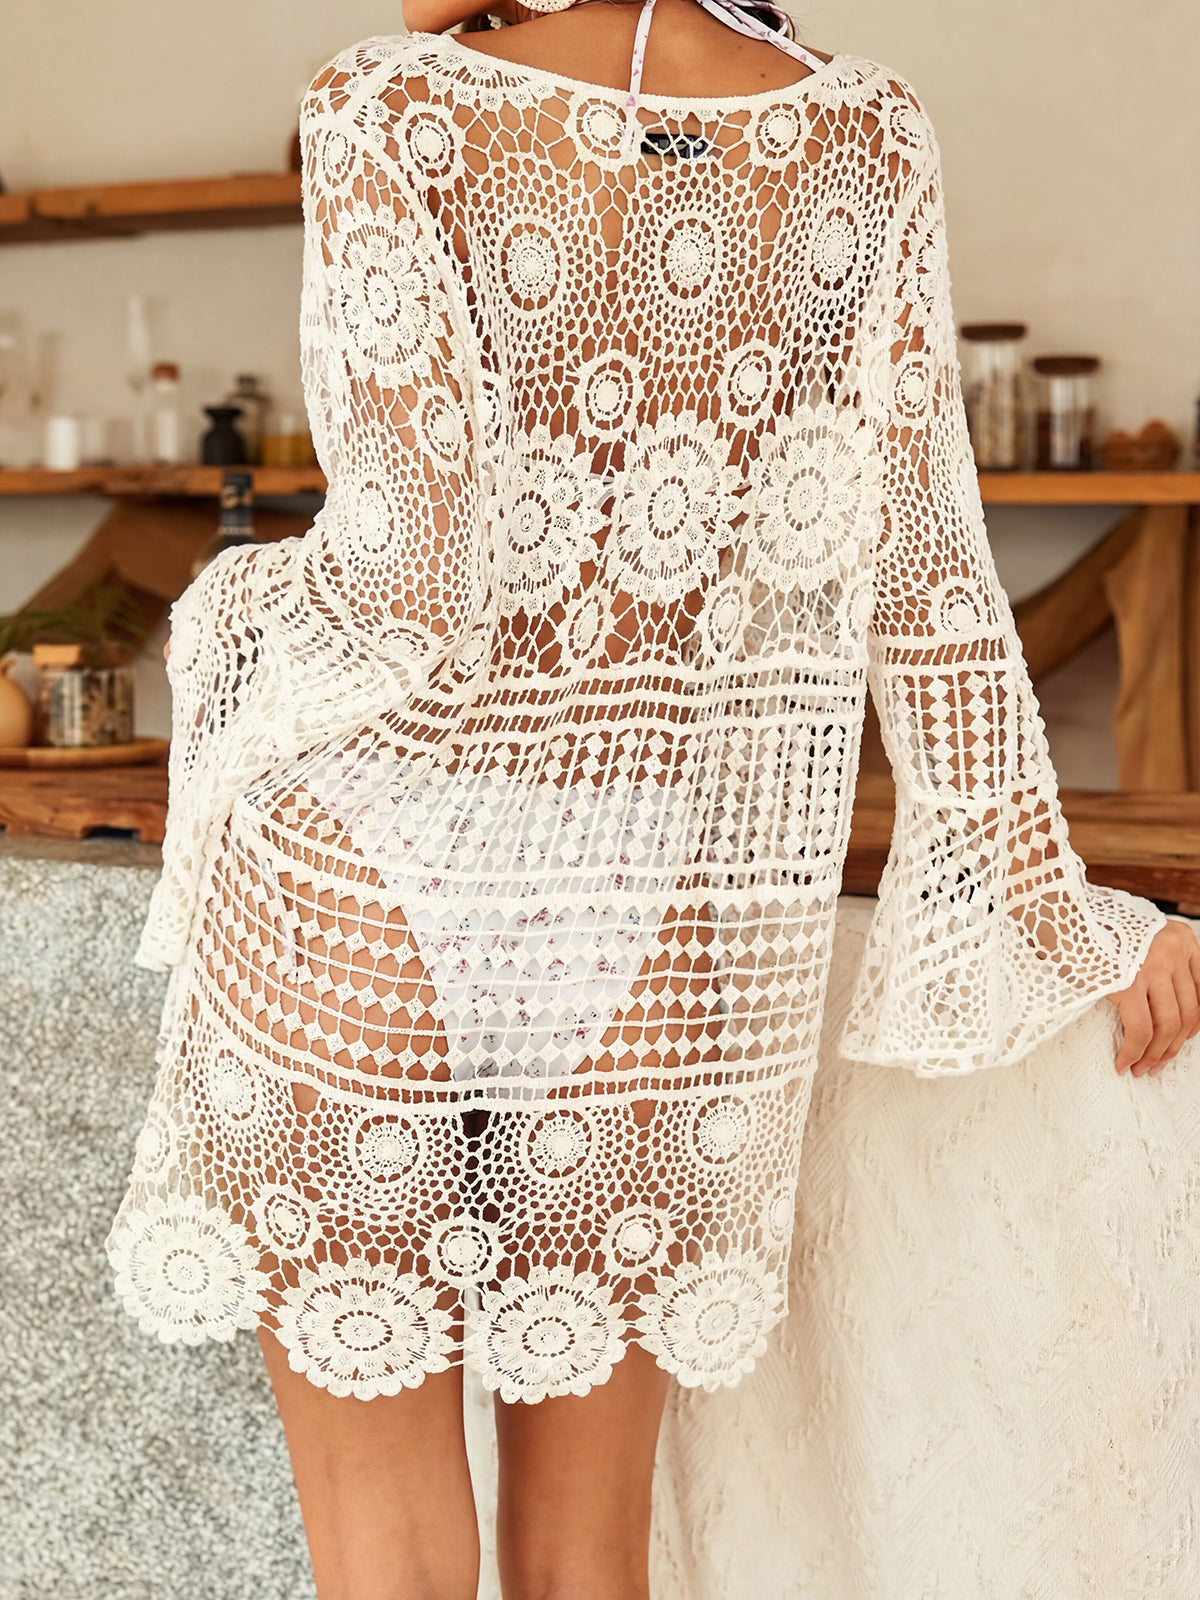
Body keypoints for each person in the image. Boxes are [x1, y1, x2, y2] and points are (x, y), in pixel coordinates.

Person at [112, 1, 1200, 1595]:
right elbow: (928, 572)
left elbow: (406, 572)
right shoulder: (863, 130)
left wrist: (224, 629)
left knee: (383, 1558)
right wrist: (1052, 908)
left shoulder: (385, 104)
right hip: (645, 885)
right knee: (587, 1558)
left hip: (365, 876)